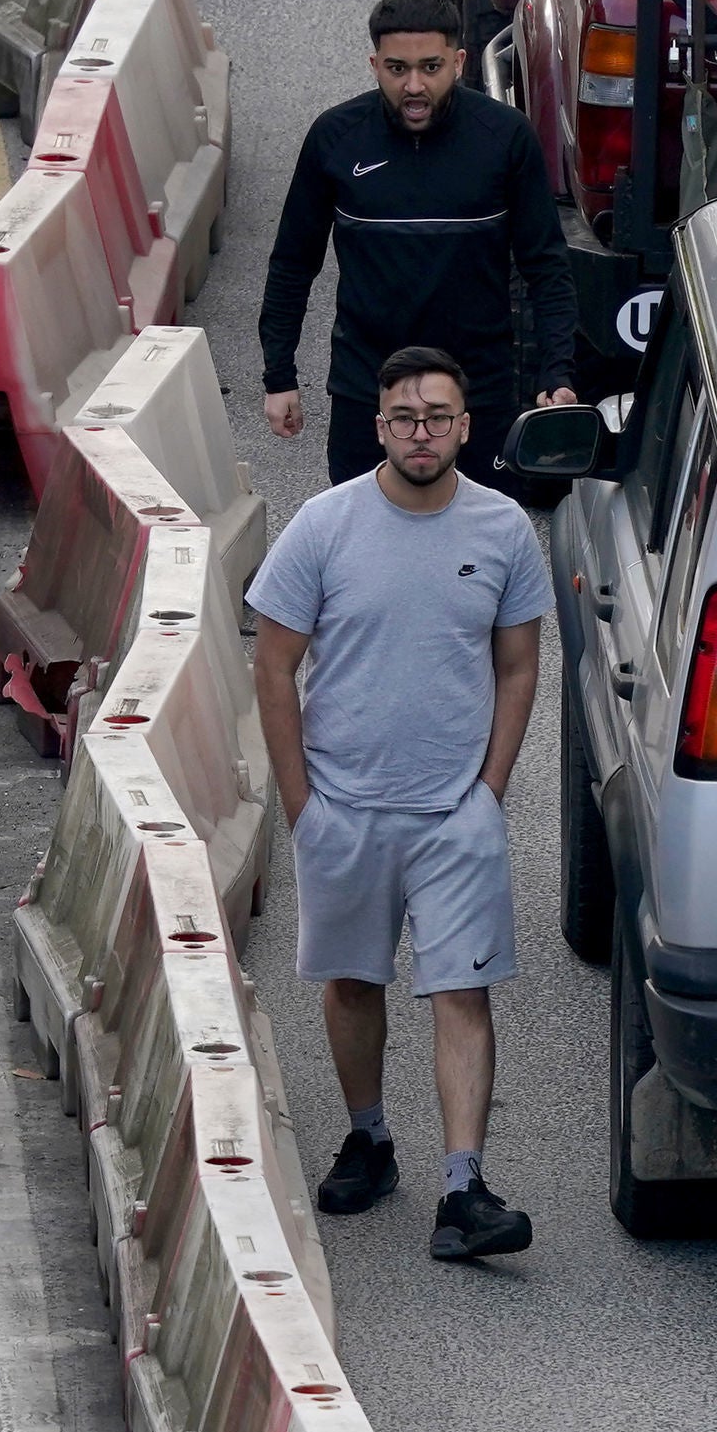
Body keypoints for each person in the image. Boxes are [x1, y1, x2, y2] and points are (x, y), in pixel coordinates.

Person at [251, 347, 553, 1263]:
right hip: (343, 807)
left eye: (438, 416)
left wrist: (488, 793)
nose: (421, 433)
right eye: (403, 419)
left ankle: (464, 1188)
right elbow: (271, 666)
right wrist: (303, 805)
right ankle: (370, 1138)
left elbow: (520, 666)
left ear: (466, 427)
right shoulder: (324, 526)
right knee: (353, 984)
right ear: (379, 428)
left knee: (461, 990)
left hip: (454, 815)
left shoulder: (503, 531)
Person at [258, 0, 579, 485]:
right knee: (362, 546)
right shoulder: (335, 138)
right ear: (374, 64)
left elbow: (546, 265)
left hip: (477, 390)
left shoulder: (506, 137)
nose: (413, 85)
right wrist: (279, 376)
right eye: (397, 69)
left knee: (472, 550)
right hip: (367, 388)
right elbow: (293, 263)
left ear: (458, 61)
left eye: (430, 67)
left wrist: (555, 374)